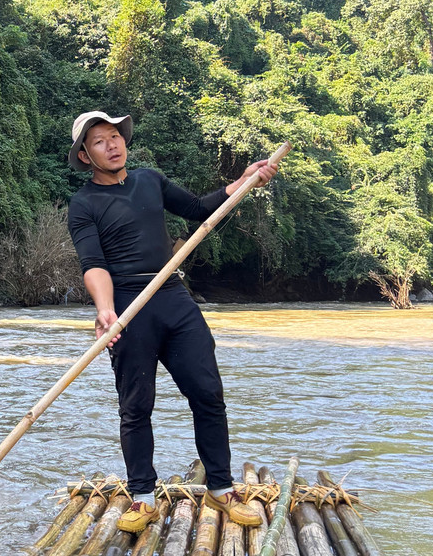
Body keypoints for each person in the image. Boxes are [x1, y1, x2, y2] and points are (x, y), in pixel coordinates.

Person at [66, 110, 278, 534]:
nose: (112, 144)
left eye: (115, 136)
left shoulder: (150, 180)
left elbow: (200, 209)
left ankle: (220, 487)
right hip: (129, 306)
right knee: (136, 407)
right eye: (100, 141)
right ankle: (143, 496)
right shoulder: (83, 204)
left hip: (174, 300)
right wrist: (106, 310)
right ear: (86, 156)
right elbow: (94, 265)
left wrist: (244, 181)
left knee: (208, 395)